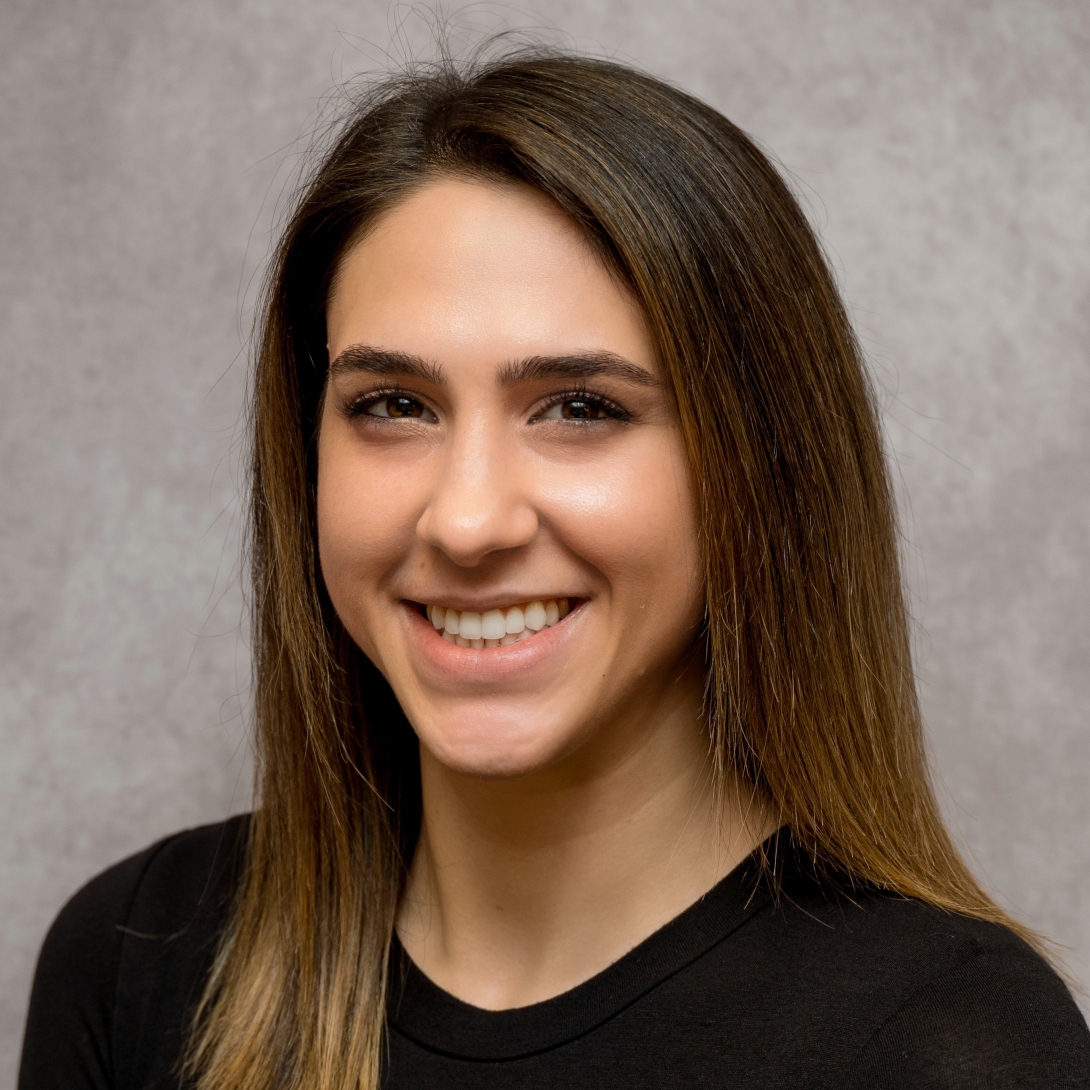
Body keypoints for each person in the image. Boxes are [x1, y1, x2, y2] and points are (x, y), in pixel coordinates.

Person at [18, 49, 1090, 1090]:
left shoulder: (949, 1044)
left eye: (582, 407)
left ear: (760, 473)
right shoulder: (136, 959)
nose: (469, 519)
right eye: (393, 404)